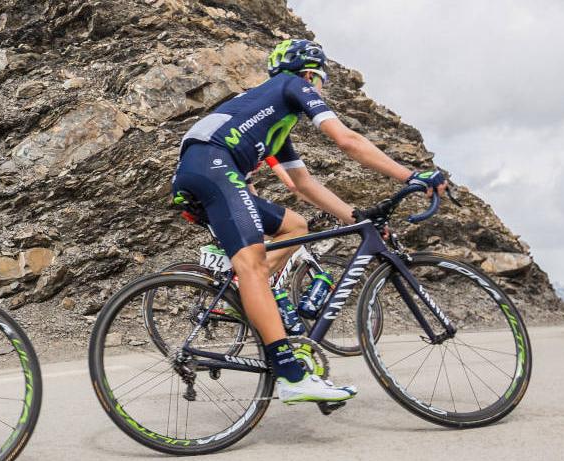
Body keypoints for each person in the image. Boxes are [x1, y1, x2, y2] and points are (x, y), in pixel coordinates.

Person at [172, 39, 448, 405]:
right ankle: (291, 376)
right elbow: (347, 140)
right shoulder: (291, 84)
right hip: (212, 166)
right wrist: (411, 176)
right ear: (309, 75)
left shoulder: (274, 122)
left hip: (206, 168)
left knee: (295, 226)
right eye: (321, 82)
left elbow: (303, 184)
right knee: (253, 265)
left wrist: (358, 219)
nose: (320, 90)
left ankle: (244, 292)